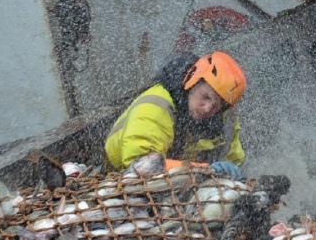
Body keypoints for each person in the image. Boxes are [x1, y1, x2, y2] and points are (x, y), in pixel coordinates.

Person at [104, 51, 246, 179]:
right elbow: (142, 165)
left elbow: (233, 162)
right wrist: (205, 170)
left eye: (216, 105)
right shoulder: (156, 105)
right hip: (121, 182)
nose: (208, 108)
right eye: (206, 97)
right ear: (193, 80)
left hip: (181, 183)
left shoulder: (225, 117)